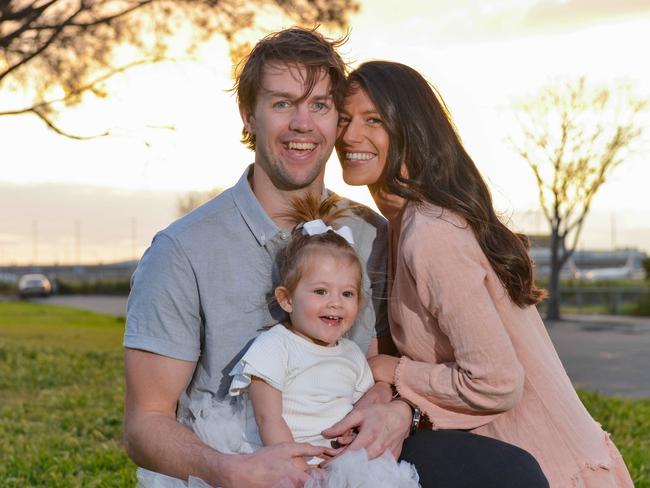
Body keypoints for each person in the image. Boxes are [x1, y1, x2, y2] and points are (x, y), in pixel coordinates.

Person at [124, 26, 548, 488]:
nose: (302, 123)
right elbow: (145, 422)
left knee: (510, 474)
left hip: (354, 457)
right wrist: (229, 471)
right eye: (282, 103)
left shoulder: (371, 236)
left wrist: (397, 410)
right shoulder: (183, 250)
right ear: (249, 116)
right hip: (238, 459)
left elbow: (389, 364)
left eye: (320, 106)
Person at [336, 60, 634, 487]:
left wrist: (392, 370)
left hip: (550, 469)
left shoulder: (431, 232)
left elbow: (495, 381)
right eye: (344, 119)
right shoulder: (399, 226)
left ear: (410, 129)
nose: (349, 135)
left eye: (373, 120)